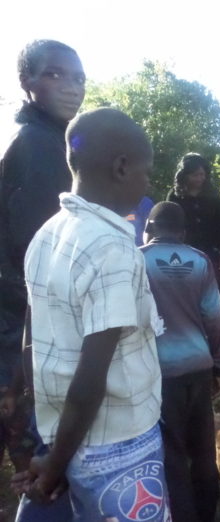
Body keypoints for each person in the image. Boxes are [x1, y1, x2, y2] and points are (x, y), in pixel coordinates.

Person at [13, 108, 170, 520]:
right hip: (120, 445)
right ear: (121, 167)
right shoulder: (113, 249)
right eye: (146, 172)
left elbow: (31, 342)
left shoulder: (45, 236)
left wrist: (53, 448)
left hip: (63, 433)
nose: (148, 182)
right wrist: (55, 465)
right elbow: (91, 376)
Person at [0, 39, 85, 521]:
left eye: (79, 78)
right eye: (57, 75)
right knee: (38, 467)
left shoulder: (50, 140)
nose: (72, 87)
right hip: (21, 328)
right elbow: (38, 261)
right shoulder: (36, 147)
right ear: (27, 82)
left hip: (21, 323)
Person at [141, 201, 220, 522]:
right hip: (199, 366)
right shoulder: (200, 260)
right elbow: (216, 319)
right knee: (204, 450)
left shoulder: (136, 261)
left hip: (158, 374)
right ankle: (207, 514)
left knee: (173, 456)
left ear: (149, 228)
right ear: (182, 232)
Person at [166, 153, 220, 270]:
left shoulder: (214, 194)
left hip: (211, 251)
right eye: (195, 175)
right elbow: (169, 225)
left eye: (202, 174)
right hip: (181, 252)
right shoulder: (174, 196)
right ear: (184, 175)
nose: (200, 178)